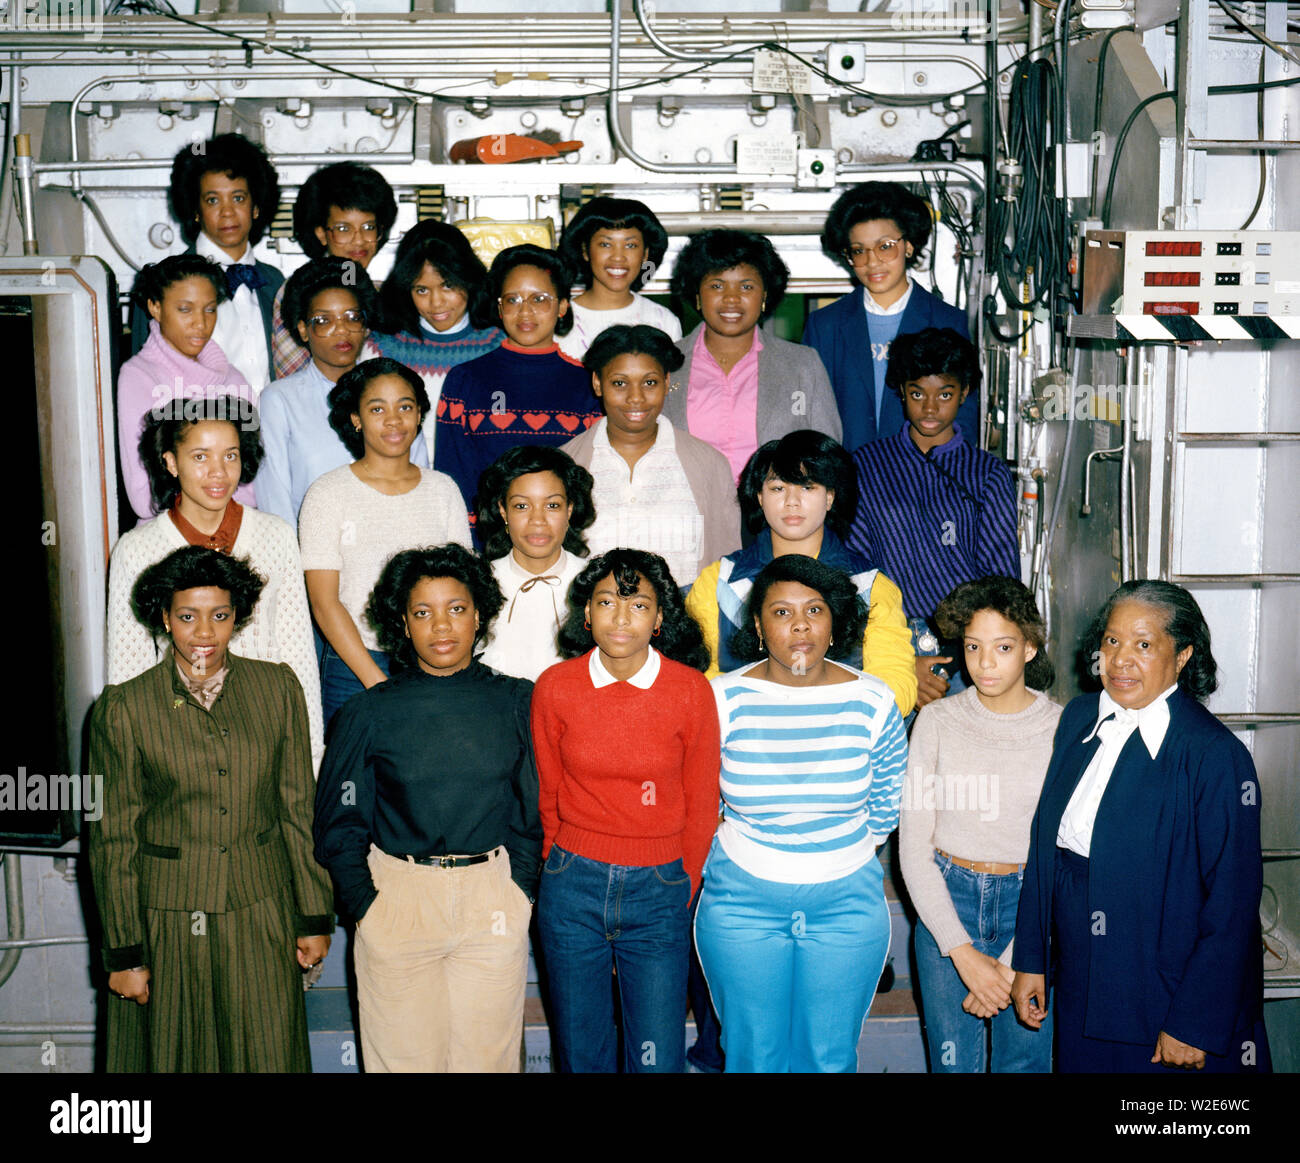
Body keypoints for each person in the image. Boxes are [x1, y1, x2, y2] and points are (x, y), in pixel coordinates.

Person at [89, 546, 333, 1072]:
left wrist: (314, 915)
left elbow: (298, 808)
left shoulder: (277, 688)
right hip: (168, 917)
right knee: (177, 1057)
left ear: (237, 615)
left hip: (261, 907)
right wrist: (125, 953)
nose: (204, 632)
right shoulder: (124, 708)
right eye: (187, 616)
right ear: (164, 617)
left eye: (219, 615)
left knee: (268, 1055)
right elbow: (114, 839)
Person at [1011, 580, 1271, 1074]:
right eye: (1112, 641)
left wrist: (1194, 1022)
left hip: (1165, 993)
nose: (1120, 660)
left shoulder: (1215, 756)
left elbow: (1233, 903)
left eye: (1144, 645)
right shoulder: (1080, 718)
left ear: (1183, 656)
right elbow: (1045, 852)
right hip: (1083, 979)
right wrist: (1031, 959)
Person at [314, 545, 541, 1073]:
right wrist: (368, 907)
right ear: (403, 622)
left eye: (456, 608)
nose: (442, 626)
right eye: (423, 612)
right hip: (398, 901)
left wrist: (518, 891)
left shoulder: (516, 702)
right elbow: (339, 821)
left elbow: (533, 810)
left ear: (479, 614)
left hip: (492, 899)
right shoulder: (368, 712)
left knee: (488, 1064)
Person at [695, 554, 907, 1073]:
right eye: (781, 612)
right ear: (757, 626)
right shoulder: (720, 698)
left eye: (814, 610)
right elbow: (700, 798)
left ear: (834, 622)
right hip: (741, 902)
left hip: (845, 903)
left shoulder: (874, 700)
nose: (800, 625)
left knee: (828, 1059)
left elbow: (886, 803)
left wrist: (832, 856)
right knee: (752, 1057)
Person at [531, 548, 719, 1074]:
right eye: (607, 601)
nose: (620, 617)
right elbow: (548, 793)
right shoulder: (555, 687)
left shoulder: (690, 690)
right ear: (586, 613)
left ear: (659, 619)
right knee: (580, 1053)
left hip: (659, 888)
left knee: (655, 1057)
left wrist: (682, 884)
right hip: (572, 883)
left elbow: (702, 803)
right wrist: (556, 866)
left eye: (638, 605)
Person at [107, 395, 324, 766]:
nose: (219, 473)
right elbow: (127, 669)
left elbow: (297, 654)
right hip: (178, 741)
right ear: (171, 462)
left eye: (230, 455)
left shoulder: (276, 536)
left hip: (264, 732)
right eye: (200, 457)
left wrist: (311, 753)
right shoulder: (137, 550)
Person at [899, 576, 1060, 1073]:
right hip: (948, 899)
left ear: (1030, 647)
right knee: (952, 1065)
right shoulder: (936, 721)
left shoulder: (1062, 728)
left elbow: (1065, 853)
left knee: (1026, 1064)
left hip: (1031, 907)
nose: (985, 663)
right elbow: (913, 848)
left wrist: (1012, 964)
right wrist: (962, 953)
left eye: (1003, 647)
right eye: (973, 646)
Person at [685, 429, 916, 716]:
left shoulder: (870, 585)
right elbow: (694, 674)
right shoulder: (719, 581)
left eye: (807, 487)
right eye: (777, 488)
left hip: (841, 732)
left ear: (830, 497)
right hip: (744, 732)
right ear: (759, 496)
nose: (791, 501)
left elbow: (895, 683)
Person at [848, 328, 1020, 710]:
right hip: (885, 642)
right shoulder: (867, 466)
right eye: (917, 394)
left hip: (967, 648)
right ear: (901, 391)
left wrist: (959, 658)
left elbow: (1001, 582)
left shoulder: (986, 473)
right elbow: (854, 573)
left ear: (964, 392)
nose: (929, 408)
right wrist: (901, 658)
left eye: (944, 394)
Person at [298, 358, 471, 724]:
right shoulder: (327, 493)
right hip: (353, 665)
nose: (393, 420)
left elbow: (463, 590)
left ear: (419, 414)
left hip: (434, 660)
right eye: (377, 409)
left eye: (405, 407)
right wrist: (377, 682)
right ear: (356, 419)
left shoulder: (443, 490)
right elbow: (325, 602)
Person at [434, 244, 603, 525]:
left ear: (562, 306)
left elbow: (593, 480)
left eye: (539, 299)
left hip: (565, 539)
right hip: (486, 541)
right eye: (513, 300)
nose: (525, 311)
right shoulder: (465, 379)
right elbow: (452, 477)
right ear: (499, 308)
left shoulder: (588, 383)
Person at [257, 257, 429, 531]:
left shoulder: (395, 390)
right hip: (311, 547)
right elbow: (274, 497)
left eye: (352, 317)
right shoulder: (280, 400)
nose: (342, 330)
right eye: (324, 321)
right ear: (303, 330)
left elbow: (421, 480)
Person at [803, 181, 977, 452]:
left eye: (885, 246)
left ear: (908, 246)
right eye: (859, 251)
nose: (872, 262)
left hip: (924, 472)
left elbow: (965, 416)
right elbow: (809, 415)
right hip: (846, 472)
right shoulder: (825, 325)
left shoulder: (948, 321)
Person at [562, 324, 740, 587]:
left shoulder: (710, 465)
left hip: (686, 611)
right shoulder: (566, 465)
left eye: (649, 382)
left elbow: (727, 565)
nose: (636, 397)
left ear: (666, 382)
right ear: (597, 383)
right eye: (620, 383)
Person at [664, 229, 841, 480]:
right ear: (698, 295)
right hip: (688, 503)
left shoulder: (802, 364)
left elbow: (827, 456)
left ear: (764, 295)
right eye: (717, 285)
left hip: (777, 504)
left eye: (746, 286)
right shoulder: (665, 364)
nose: (732, 298)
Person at [133, 134, 284, 394]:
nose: (227, 212)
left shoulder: (276, 282)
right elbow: (143, 386)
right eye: (213, 200)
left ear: (256, 207)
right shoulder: (161, 283)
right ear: (196, 210)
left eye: (238, 198)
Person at [117, 255, 258, 520]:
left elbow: (253, 479)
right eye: (185, 309)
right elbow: (143, 496)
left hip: (236, 528)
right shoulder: (139, 376)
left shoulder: (233, 379)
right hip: (167, 532)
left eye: (210, 309)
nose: (201, 323)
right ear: (155, 307)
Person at [368, 219, 504, 461]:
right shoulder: (380, 348)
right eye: (421, 290)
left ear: (468, 279)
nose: (436, 303)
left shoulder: (499, 346)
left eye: (448, 286)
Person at [474, 445, 595, 681]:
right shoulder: (477, 583)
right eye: (521, 506)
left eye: (552, 505)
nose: (537, 520)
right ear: (503, 511)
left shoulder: (595, 581)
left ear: (569, 510)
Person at [270, 161, 398, 378]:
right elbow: (292, 378)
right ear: (321, 233)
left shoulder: (386, 293)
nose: (359, 240)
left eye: (368, 227)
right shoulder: (299, 290)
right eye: (344, 229)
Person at [555, 195, 681, 359]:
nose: (618, 257)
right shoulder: (557, 319)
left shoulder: (663, 321)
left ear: (645, 254)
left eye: (630, 245)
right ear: (585, 250)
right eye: (605, 244)